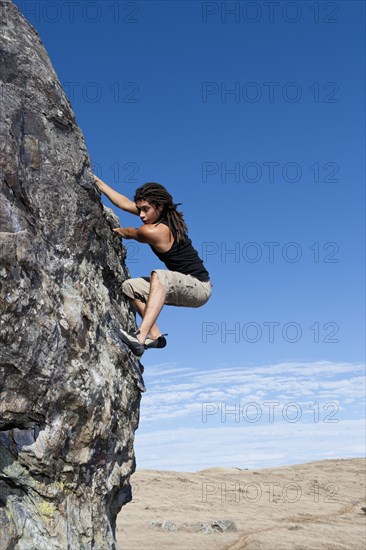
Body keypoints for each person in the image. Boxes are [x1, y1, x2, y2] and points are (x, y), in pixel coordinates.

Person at [94, 176, 212, 356]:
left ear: (160, 206)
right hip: (181, 285)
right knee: (129, 287)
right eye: (140, 209)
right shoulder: (157, 216)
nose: (141, 215)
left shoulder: (155, 231)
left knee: (160, 275)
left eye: (145, 210)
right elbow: (125, 203)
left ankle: (140, 337)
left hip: (199, 287)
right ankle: (156, 336)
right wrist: (97, 182)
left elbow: (129, 232)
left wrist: (115, 230)